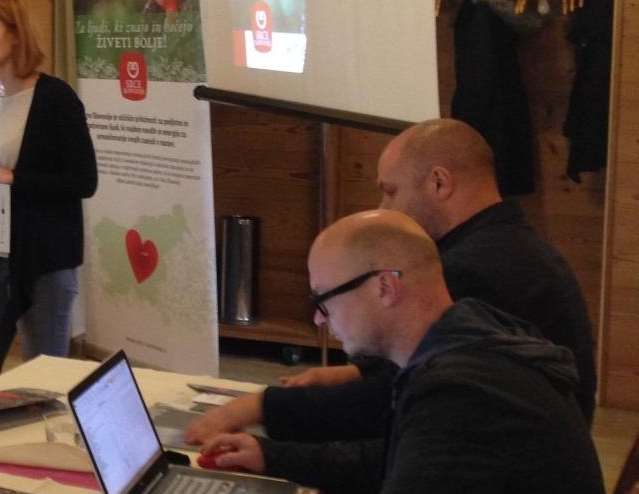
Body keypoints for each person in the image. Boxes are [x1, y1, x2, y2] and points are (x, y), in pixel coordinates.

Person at [200, 210, 608, 494]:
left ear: (385, 287)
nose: (319, 318)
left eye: (324, 298)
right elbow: (391, 461)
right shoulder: (469, 343)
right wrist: (271, 455)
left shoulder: (461, 393)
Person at [186, 118, 595, 452]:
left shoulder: (472, 271)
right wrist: (348, 374)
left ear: (439, 183)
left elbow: (394, 401)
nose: (383, 209)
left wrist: (261, 408)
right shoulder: (509, 244)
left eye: (390, 192)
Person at [0, 0, 98, 390]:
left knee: (44, 387)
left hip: (42, 262)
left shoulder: (56, 99)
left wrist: (14, 177)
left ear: (16, 35)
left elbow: (84, 181)